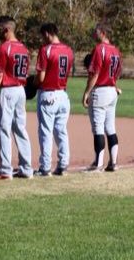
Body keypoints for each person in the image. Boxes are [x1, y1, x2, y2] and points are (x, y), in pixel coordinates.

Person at [0, 16, 33, 180]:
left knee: (4, 129)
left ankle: (6, 169)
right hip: (21, 90)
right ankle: (26, 167)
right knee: (20, 128)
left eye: (0, 29)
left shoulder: (4, 47)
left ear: (7, 30)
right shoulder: (24, 48)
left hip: (7, 90)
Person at [35, 23, 75, 176]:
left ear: (47, 33)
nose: (42, 39)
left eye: (42, 35)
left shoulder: (46, 50)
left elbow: (42, 76)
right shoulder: (69, 50)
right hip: (63, 95)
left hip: (48, 94)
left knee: (46, 131)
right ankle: (63, 164)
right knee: (61, 130)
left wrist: (33, 83)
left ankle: (45, 167)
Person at [83, 23, 123, 172]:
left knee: (98, 128)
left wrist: (87, 92)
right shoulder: (116, 51)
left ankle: (98, 164)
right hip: (112, 91)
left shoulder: (100, 49)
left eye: (96, 32)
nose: (94, 34)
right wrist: (114, 85)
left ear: (103, 33)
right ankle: (113, 163)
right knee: (110, 128)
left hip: (100, 91)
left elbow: (95, 74)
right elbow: (117, 72)